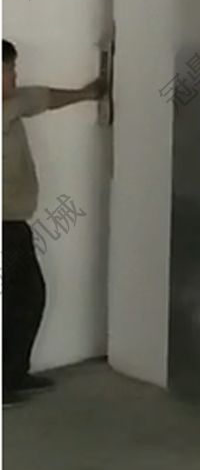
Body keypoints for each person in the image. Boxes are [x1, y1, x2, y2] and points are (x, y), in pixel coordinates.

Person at [2, 39, 105, 406]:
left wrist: (86, 93)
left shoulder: (11, 104)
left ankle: (12, 375)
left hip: (14, 226)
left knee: (29, 297)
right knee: (16, 301)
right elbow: (31, 100)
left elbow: (39, 98)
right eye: (9, 71)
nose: (15, 78)